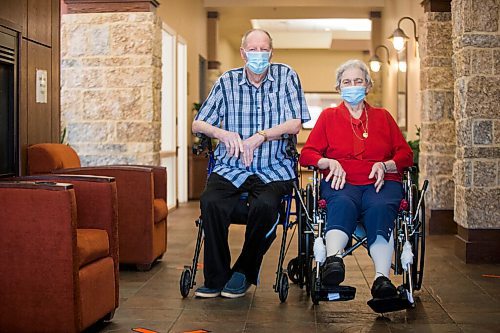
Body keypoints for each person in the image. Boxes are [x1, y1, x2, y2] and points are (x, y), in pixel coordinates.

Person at [192, 29, 310, 298]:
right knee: (211, 201)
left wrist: (261, 136)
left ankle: (244, 271)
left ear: (272, 52)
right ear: (243, 53)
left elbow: (295, 123)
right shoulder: (227, 82)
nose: (259, 54)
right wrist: (223, 133)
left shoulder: (286, 77)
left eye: (264, 49)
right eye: (253, 50)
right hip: (231, 166)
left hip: (273, 166)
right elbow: (198, 123)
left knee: (266, 206)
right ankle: (216, 276)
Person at [299, 59, 413, 300]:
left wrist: (385, 164)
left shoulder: (383, 117)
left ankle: (382, 279)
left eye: (358, 81)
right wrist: (328, 162)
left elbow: (406, 154)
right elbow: (308, 154)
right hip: (342, 182)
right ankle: (334, 262)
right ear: (338, 87)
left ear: (368, 86)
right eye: (346, 82)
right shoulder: (329, 117)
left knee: (381, 207)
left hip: (381, 182)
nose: (352, 86)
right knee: (341, 203)